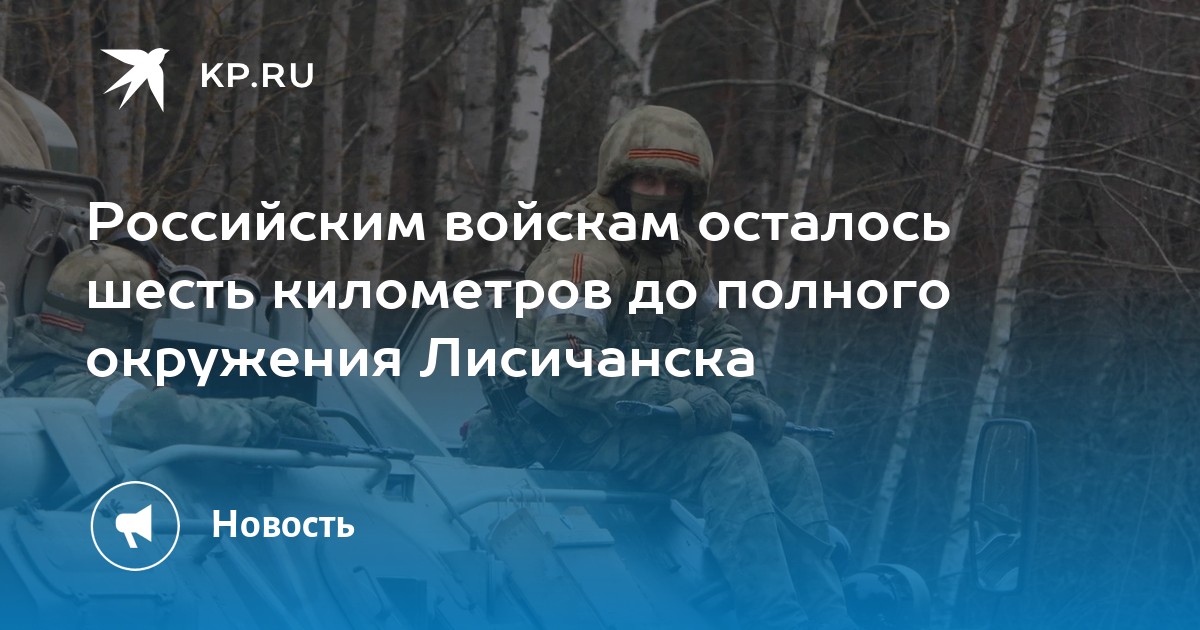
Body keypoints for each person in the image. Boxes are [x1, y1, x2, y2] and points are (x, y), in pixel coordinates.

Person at [469, 105, 855, 629]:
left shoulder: (684, 256)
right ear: (620, 182)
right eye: (648, 180)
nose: (661, 194)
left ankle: (831, 617)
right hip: (571, 429)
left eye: (675, 184)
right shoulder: (583, 257)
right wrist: (678, 394)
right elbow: (565, 369)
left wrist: (744, 388)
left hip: (645, 421)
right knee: (727, 457)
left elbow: (716, 333)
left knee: (789, 458)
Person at [4, 243, 334, 450]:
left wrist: (264, 407)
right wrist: (261, 424)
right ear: (130, 329)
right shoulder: (82, 390)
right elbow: (164, 416)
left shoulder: (18, 349)